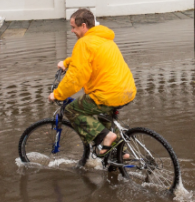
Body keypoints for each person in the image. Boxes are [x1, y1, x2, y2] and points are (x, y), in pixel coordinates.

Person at [49, 8, 137, 156]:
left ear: (83, 26)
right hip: (126, 90)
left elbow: (75, 78)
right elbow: (86, 58)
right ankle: (122, 154)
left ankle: (107, 137)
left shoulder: (84, 43)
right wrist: (66, 62)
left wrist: (57, 94)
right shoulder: (103, 38)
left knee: (72, 110)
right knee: (105, 117)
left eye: (73, 27)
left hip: (107, 94)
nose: (72, 31)